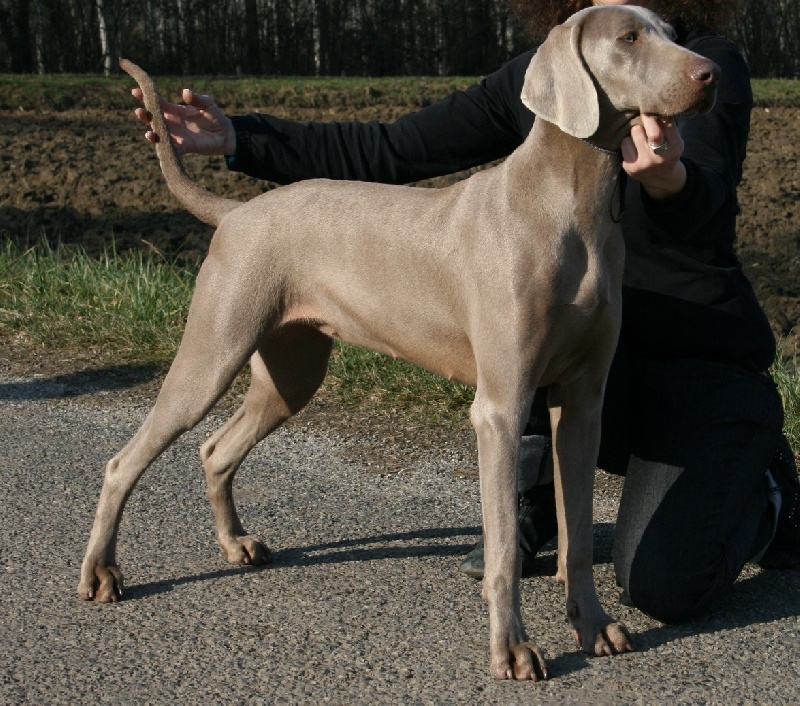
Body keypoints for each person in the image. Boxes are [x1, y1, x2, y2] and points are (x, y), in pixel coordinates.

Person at [133, 0, 800, 624]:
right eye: (629, 36)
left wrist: (667, 178)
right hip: (594, 366)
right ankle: (534, 494)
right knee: (521, 319)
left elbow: (711, 201)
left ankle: (765, 489)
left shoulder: (699, 62)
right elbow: (396, 150)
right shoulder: (554, 68)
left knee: (663, 584)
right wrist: (240, 139)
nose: (651, 43)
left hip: (694, 370)